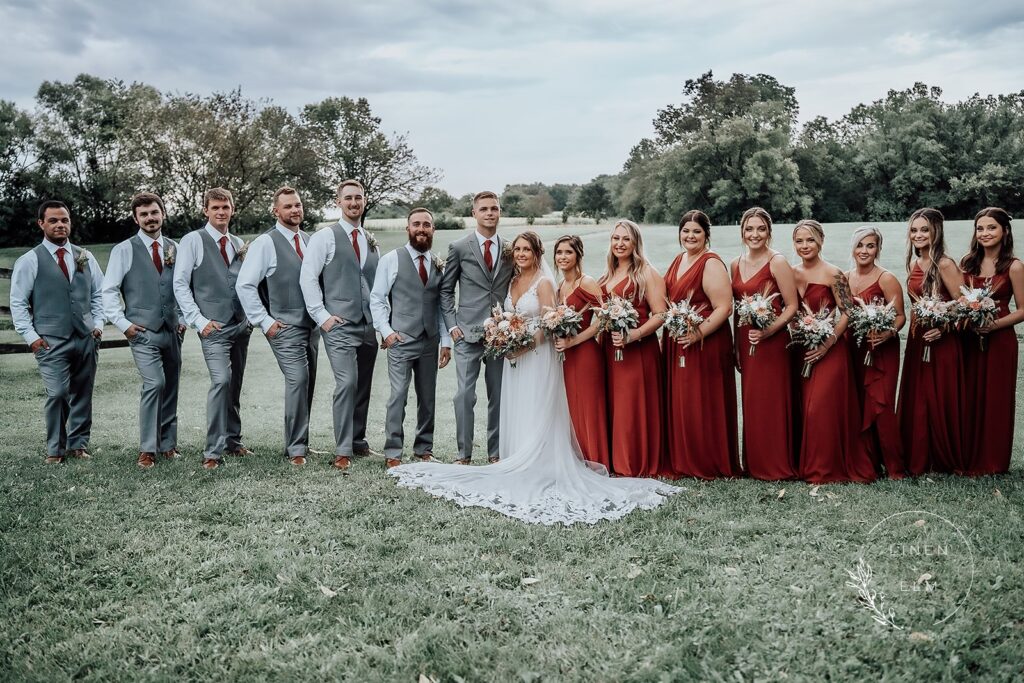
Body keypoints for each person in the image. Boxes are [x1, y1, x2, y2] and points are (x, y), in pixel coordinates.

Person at [389, 231, 680, 525]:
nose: (521, 254)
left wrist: (525, 345)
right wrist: (503, 336)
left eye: (527, 249)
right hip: (515, 356)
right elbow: (510, 315)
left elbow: (548, 323)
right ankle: (516, 456)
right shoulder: (513, 281)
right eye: (517, 249)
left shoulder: (545, 283)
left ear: (538, 252)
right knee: (517, 405)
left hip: (538, 356)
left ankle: (538, 459)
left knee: (536, 405)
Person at [10, 200, 104, 464]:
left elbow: (99, 293)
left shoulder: (85, 256)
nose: (60, 225)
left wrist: (97, 325)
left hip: (86, 337)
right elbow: (18, 302)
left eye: (64, 220)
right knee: (57, 393)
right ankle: (55, 449)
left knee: (83, 392)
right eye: (53, 220)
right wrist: (32, 338)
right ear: (41, 224)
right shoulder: (30, 260)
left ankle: (78, 444)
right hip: (50, 341)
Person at [235, 186, 319, 466]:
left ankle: (301, 443)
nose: (295, 210)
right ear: (276, 211)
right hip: (283, 327)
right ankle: (295, 449)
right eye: (288, 206)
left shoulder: (309, 240)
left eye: (298, 205)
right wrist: (265, 321)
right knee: (298, 380)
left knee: (308, 383)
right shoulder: (265, 243)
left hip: (311, 326)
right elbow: (245, 285)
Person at [101, 192, 186, 468]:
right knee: (155, 383)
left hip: (172, 330)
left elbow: (184, 287)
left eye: (154, 212)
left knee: (171, 385)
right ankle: (148, 448)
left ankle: (168, 445)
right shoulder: (124, 250)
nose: (150, 218)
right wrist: (123, 325)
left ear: (163, 213)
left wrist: (183, 317)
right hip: (141, 331)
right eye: (144, 214)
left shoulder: (176, 247)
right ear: (136, 218)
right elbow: (109, 291)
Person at [300, 179, 379, 469]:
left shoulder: (370, 239)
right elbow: (308, 277)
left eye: (358, 198)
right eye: (348, 198)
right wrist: (323, 316)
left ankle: (358, 442)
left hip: (368, 325)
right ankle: (342, 449)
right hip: (339, 325)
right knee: (346, 383)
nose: (354, 203)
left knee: (363, 385)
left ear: (364, 200)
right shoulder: (325, 237)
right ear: (338, 202)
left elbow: (374, 284)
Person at [173, 187, 253, 470]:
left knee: (235, 386)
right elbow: (180, 284)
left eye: (226, 207)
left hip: (240, 326)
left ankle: (233, 441)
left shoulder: (237, 242)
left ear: (232, 209)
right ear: (206, 210)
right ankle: (212, 452)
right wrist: (199, 320)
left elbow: (246, 283)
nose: (221, 212)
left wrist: (251, 318)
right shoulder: (193, 240)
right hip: (213, 328)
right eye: (215, 208)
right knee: (221, 381)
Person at [792, 220, 876, 484]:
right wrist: (801, 331)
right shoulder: (791, 273)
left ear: (821, 241)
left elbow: (848, 312)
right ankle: (806, 464)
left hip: (831, 348)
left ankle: (825, 468)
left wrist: (827, 342)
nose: (805, 246)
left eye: (810, 240)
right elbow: (790, 310)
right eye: (799, 241)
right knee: (805, 408)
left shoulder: (834, 273)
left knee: (821, 408)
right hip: (802, 349)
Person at [370, 207, 452, 468]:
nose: (421, 229)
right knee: (398, 396)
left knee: (428, 397)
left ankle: (423, 449)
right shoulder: (391, 259)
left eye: (426, 225)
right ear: (408, 228)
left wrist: (446, 342)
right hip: (401, 340)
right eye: (416, 224)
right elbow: (377, 298)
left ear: (433, 230)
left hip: (430, 342)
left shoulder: (439, 265)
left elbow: (441, 307)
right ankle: (393, 451)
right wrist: (387, 332)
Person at [439, 191, 514, 464]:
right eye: (484, 209)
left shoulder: (510, 248)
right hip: (466, 333)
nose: (489, 213)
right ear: (474, 213)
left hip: (501, 335)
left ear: (500, 212)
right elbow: (446, 291)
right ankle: (464, 454)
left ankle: (495, 453)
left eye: (494, 208)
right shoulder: (459, 247)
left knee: (499, 396)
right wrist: (452, 326)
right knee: (464, 396)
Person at [664, 210, 739, 479]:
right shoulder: (678, 260)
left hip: (706, 342)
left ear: (707, 234)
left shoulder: (711, 263)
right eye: (685, 231)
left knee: (703, 399)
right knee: (684, 400)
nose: (690, 236)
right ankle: (685, 457)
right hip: (680, 340)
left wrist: (698, 333)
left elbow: (724, 307)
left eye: (696, 231)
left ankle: (708, 460)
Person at [730, 207, 798, 480]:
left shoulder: (777, 262)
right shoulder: (735, 264)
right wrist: (736, 347)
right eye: (749, 229)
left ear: (769, 231)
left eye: (760, 229)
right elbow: (736, 309)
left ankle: (777, 463)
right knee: (752, 401)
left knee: (772, 401)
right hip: (746, 343)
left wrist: (769, 331)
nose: (754, 234)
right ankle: (755, 464)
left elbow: (792, 306)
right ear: (742, 232)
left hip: (773, 343)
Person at [598, 219, 669, 477]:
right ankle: (617, 461)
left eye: (626, 239)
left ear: (636, 242)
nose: (619, 243)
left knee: (631, 406)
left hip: (638, 350)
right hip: (610, 350)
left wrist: (634, 335)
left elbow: (661, 314)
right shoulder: (607, 274)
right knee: (615, 404)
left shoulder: (647, 273)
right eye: (616, 238)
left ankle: (634, 461)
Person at [897, 208, 966, 475]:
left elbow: (965, 304)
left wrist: (944, 326)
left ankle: (940, 458)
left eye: (924, 229)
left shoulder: (944, 264)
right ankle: (918, 455)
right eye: (914, 230)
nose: (918, 235)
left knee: (937, 397)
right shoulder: (916, 264)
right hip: (917, 340)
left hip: (941, 341)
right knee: (919, 396)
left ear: (936, 231)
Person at [959, 207, 1023, 475]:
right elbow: (958, 298)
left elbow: (1023, 309)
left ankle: (993, 462)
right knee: (969, 395)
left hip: (1000, 340)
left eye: (991, 228)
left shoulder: (1014, 266)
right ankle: (966, 456)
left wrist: (993, 325)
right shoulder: (967, 263)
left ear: (1005, 231)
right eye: (980, 228)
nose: (985, 233)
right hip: (969, 339)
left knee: (996, 398)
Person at [845, 226, 906, 478]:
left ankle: (895, 467)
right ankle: (868, 462)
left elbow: (901, 316)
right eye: (860, 245)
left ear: (878, 248)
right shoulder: (845, 277)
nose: (864, 250)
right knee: (860, 403)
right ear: (853, 248)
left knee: (880, 405)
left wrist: (887, 332)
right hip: (855, 348)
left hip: (882, 349)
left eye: (870, 245)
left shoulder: (886, 278)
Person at [551, 235, 610, 469]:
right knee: (572, 408)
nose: (563, 257)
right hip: (566, 357)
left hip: (585, 354)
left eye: (568, 252)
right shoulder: (560, 286)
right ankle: (578, 460)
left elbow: (604, 318)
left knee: (588, 408)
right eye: (559, 253)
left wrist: (574, 341)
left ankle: (597, 460)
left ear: (578, 256)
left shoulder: (587, 282)